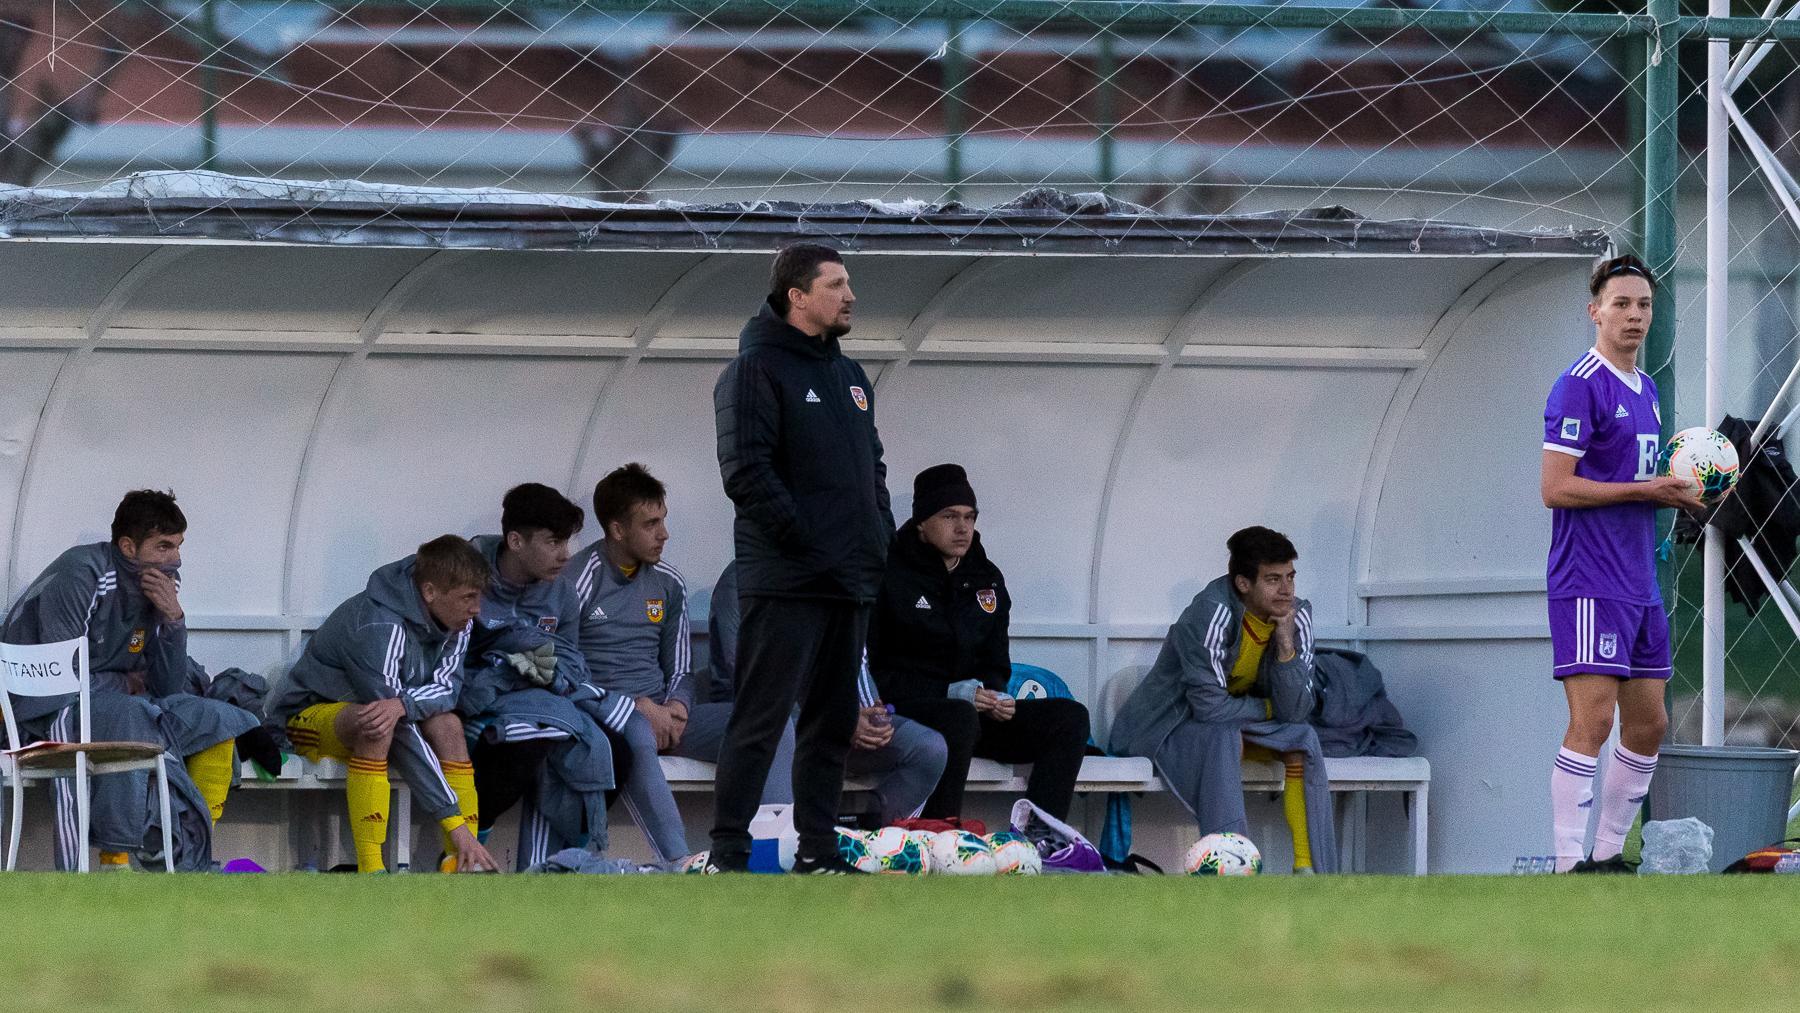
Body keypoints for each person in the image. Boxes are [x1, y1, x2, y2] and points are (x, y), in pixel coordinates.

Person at [709, 242, 895, 874]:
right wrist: (811, 543)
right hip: (787, 579)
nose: (850, 296)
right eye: (836, 285)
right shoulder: (754, 370)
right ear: (797, 296)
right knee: (761, 719)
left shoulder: (851, 376)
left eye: (849, 284)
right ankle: (728, 851)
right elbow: (746, 471)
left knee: (832, 723)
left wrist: (878, 535)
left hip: (850, 578)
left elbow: (872, 466)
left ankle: (818, 849)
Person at [1540, 254, 1702, 874]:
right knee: (1593, 719)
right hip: (1588, 579)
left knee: (1650, 724)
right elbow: (1556, 487)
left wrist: (1682, 492)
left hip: (1639, 581)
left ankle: (1609, 855)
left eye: (1644, 305)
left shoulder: (1648, 389)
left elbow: (1636, 481)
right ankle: (1566, 861)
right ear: (1595, 311)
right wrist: (1644, 490)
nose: (1635, 315)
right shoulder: (1579, 383)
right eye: (1622, 304)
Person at [1, 489, 262, 870]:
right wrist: (123, 682)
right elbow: (60, 677)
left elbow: (167, 687)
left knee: (220, 721)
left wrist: (173, 620)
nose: (175, 558)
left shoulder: (160, 585)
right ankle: (115, 860)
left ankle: (190, 858)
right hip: (41, 711)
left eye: (178, 546)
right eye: (163, 547)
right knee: (132, 713)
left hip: (113, 706)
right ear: (127, 546)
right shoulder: (82, 573)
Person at [1109, 526, 1338, 874]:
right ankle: (1231, 869)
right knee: (1224, 737)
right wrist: (1269, 708)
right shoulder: (1210, 612)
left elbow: (1296, 712)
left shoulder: (1296, 615)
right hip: (1168, 725)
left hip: (1237, 721)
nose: (1286, 589)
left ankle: (1309, 871)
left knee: (1303, 738)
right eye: (1273, 579)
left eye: (1290, 577)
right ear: (1243, 583)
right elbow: (1209, 708)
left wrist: (1285, 645)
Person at [867, 464, 1087, 821]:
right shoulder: (889, 574)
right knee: (959, 716)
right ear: (921, 522)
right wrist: (950, 692)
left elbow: (995, 661)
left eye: (969, 517)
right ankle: (940, 836)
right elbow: (875, 671)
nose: (962, 528)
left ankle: (1039, 837)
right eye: (949, 516)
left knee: (1069, 717)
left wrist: (995, 695)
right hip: (911, 712)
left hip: (974, 714)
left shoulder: (987, 578)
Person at [267, 535, 498, 873]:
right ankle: (372, 870)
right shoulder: (381, 624)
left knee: (449, 724)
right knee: (375, 724)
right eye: (468, 597)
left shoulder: (458, 621)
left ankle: (462, 864)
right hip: (311, 717)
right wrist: (453, 820)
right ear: (430, 592)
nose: (477, 609)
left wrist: (403, 704)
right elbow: (394, 722)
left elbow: (448, 689)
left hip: (392, 716)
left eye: (479, 597)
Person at [712, 560, 948, 827]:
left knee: (928, 748)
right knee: (777, 727)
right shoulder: (742, 578)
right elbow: (754, 679)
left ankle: (864, 839)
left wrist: (870, 716)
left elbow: (854, 656)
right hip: (763, 721)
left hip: (827, 724)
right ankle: (787, 841)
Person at [457, 483, 618, 871]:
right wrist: (506, 670)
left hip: (542, 702)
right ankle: (468, 857)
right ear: (515, 541)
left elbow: (570, 662)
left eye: (567, 542)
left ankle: (564, 866)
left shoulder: (562, 593)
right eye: (553, 542)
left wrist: (548, 676)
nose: (565, 555)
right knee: (522, 742)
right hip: (473, 702)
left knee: (613, 749)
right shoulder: (465, 578)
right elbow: (448, 660)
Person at [567, 463, 702, 864]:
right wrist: (636, 706)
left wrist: (677, 706)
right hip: (607, 714)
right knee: (637, 731)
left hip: (664, 714)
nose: (664, 534)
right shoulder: (579, 579)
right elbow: (566, 673)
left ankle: (782, 852)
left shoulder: (669, 582)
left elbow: (681, 668)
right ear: (617, 529)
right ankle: (680, 863)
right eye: (650, 524)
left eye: (663, 520)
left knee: (764, 727)